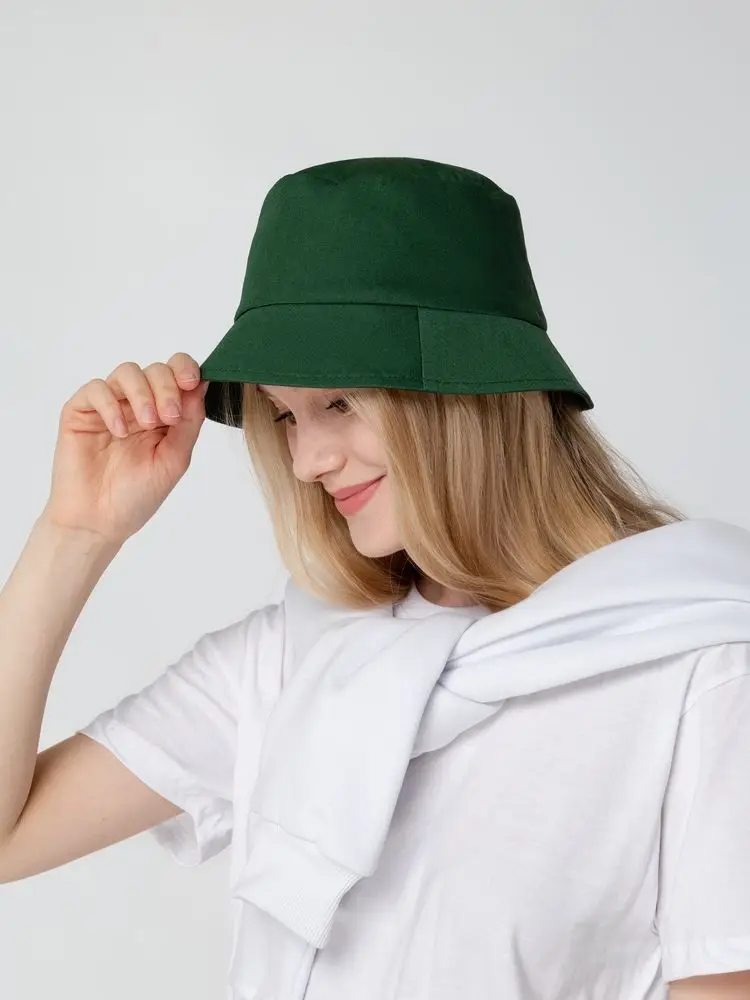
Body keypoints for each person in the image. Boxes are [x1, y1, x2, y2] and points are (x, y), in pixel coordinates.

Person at [2, 157, 750, 1000]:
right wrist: (76, 532)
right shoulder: (295, 655)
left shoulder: (701, 661)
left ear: (469, 394)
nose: (307, 460)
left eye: (340, 403)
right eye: (285, 415)